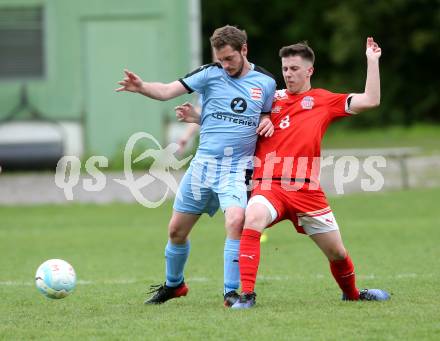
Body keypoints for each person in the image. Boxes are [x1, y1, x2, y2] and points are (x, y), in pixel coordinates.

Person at [178, 37, 390, 309]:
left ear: (309, 71)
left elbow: (371, 100)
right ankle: (247, 296)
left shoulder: (323, 101)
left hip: (305, 190)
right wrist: (198, 117)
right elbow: (233, 119)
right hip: (269, 186)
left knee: (337, 252)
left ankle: (352, 293)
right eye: (285, 69)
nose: (288, 74)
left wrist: (372, 61)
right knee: (251, 217)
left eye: (294, 69)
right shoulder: (269, 99)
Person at [116, 25, 277, 307]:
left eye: (229, 59)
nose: (224, 65)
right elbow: (167, 91)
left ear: (244, 50)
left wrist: (268, 120)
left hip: (236, 169)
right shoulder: (209, 73)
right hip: (202, 166)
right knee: (176, 231)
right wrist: (142, 88)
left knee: (236, 221)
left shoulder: (265, 82)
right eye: (220, 59)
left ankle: (231, 293)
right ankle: (174, 285)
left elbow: (265, 118)